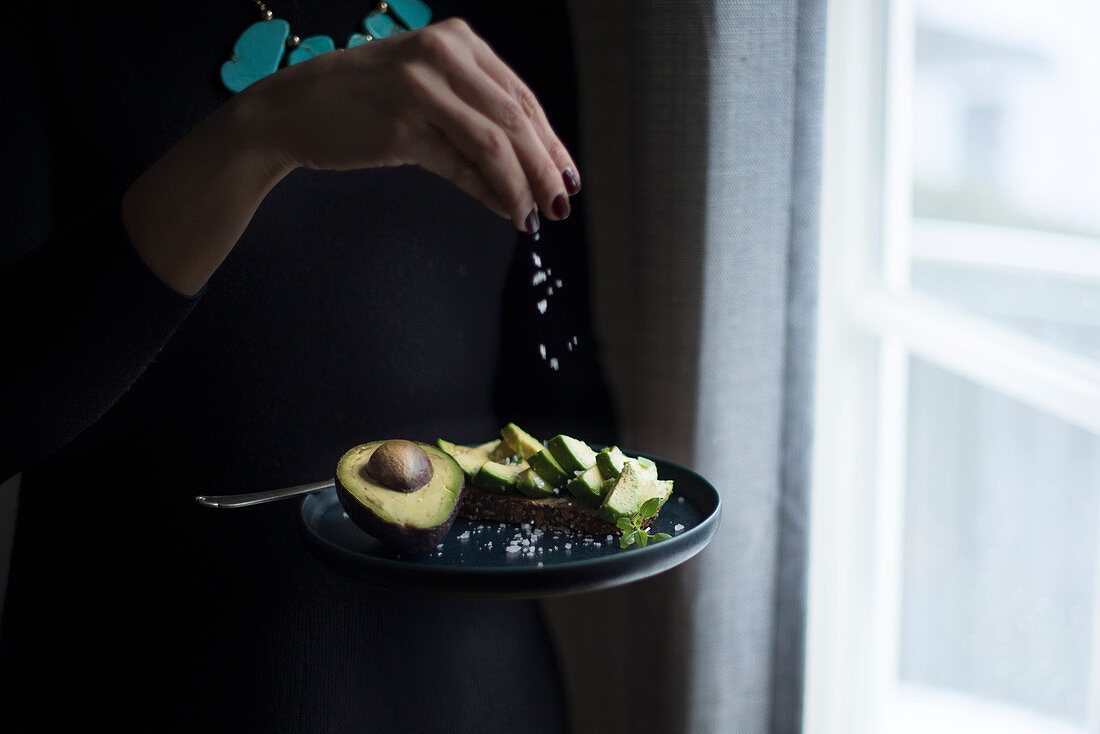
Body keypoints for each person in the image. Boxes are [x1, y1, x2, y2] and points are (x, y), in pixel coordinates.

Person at [0, 1, 615, 730]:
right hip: (138, 691)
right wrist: (256, 135)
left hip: (478, 696)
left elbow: (562, 395)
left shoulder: (508, 14)